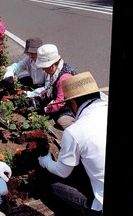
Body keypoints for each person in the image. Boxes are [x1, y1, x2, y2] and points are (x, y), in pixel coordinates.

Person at [37, 72, 108, 215]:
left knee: (48, 186)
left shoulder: (75, 131)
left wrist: (45, 161)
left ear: (73, 103)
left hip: (103, 206)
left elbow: (62, 172)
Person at [35, 44, 77, 130]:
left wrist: (44, 110)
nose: (43, 69)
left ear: (52, 64)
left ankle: (77, 126)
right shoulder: (55, 71)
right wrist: (39, 97)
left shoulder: (64, 77)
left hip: (71, 107)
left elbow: (60, 101)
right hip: (61, 103)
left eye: (44, 67)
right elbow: (50, 88)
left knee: (63, 122)